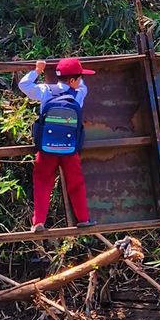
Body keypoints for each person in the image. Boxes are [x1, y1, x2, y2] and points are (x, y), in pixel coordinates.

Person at [18, 58, 97, 232]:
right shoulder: (80, 93)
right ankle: (83, 219)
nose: (81, 81)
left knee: (42, 182)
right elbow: (82, 86)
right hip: (70, 149)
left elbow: (24, 85)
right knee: (76, 183)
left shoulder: (45, 90)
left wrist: (37, 71)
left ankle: (38, 222)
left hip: (46, 148)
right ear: (72, 81)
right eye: (79, 77)